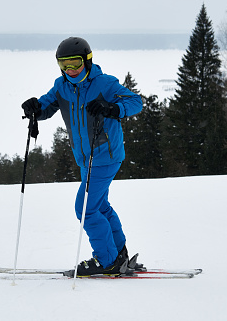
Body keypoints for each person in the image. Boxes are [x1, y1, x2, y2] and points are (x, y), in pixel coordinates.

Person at [21, 37, 142, 276]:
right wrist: (34, 108)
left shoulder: (104, 84)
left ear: (87, 61)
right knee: (100, 206)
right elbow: (46, 106)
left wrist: (113, 109)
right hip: (86, 159)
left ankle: (106, 260)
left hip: (105, 155)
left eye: (75, 63)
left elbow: (135, 102)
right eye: (63, 65)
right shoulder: (61, 86)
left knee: (85, 209)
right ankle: (119, 254)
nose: (70, 70)